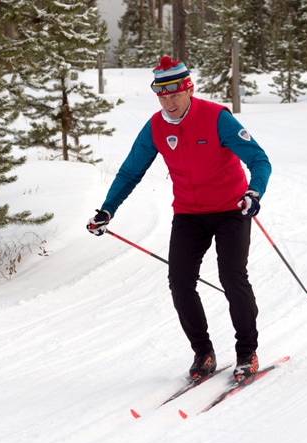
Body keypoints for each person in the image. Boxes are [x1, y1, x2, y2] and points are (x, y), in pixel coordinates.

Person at [87, 56, 272, 383]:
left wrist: (254, 193)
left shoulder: (217, 118)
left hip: (232, 208)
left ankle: (247, 352)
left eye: (175, 94)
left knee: (232, 277)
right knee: (180, 282)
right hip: (189, 213)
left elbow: (259, 159)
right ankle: (203, 353)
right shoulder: (156, 127)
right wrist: (107, 209)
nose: (169, 102)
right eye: (162, 95)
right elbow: (131, 171)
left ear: (189, 90)